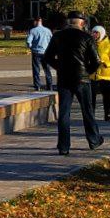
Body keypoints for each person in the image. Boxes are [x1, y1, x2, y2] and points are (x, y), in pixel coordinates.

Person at [42, 11, 104, 155]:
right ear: (82, 23)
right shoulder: (87, 37)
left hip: (64, 79)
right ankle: (94, 140)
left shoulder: (58, 36)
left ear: (68, 22)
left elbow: (48, 57)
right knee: (87, 111)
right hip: (82, 80)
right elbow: (96, 61)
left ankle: (64, 147)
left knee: (64, 113)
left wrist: (59, 67)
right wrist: (86, 71)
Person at [91, 25, 110, 122]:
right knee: (91, 97)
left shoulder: (109, 46)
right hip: (93, 75)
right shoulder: (90, 44)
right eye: (93, 32)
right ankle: (91, 115)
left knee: (107, 97)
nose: (94, 35)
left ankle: (107, 113)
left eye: (96, 33)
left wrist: (106, 63)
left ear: (101, 33)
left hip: (105, 75)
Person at [25, 16, 53, 91]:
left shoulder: (33, 31)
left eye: (34, 21)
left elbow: (28, 41)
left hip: (36, 52)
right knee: (47, 70)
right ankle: (49, 86)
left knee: (36, 70)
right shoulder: (48, 30)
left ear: (36, 21)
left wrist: (30, 47)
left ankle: (37, 86)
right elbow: (52, 41)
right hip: (46, 52)